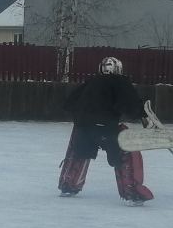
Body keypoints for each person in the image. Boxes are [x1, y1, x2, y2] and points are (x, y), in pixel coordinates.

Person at [57, 56, 153, 204]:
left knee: (78, 148)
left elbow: (68, 104)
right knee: (126, 147)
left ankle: (68, 184)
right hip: (108, 128)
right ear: (119, 69)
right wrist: (143, 114)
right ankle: (133, 191)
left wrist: (84, 115)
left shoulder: (91, 82)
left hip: (85, 128)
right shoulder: (120, 82)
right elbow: (130, 104)